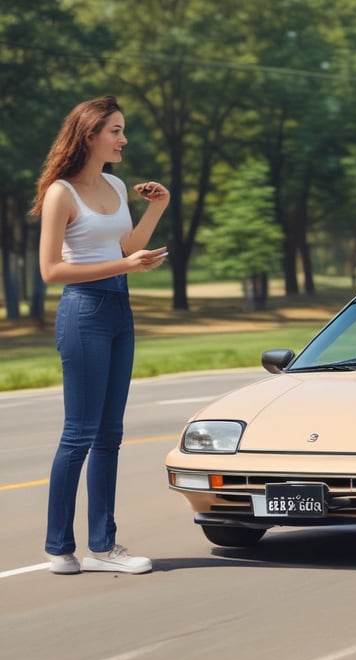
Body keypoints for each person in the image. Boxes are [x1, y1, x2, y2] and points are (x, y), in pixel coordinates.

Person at [30, 96, 170, 575]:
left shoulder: (113, 184)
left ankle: (103, 546)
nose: (123, 139)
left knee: (110, 434)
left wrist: (157, 208)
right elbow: (52, 270)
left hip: (119, 310)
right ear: (89, 134)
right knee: (80, 434)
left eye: (122, 130)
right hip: (83, 312)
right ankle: (59, 548)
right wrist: (125, 264)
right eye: (115, 130)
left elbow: (126, 246)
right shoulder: (60, 193)